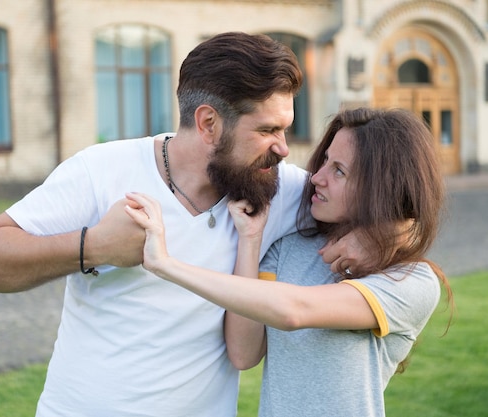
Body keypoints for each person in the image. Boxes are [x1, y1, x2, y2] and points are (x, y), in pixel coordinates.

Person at [0, 32, 370, 417]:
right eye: (267, 129)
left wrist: (379, 236)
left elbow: (382, 202)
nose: (282, 147)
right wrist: (95, 247)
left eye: (285, 128)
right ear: (209, 123)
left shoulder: (276, 187)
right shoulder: (101, 170)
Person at [125, 107, 454, 417]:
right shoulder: (292, 246)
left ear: (382, 188)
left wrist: (166, 264)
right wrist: (250, 241)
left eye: (338, 171)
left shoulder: (411, 281)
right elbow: (244, 353)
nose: (317, 177)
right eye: (324, 161)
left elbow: (294, 311)